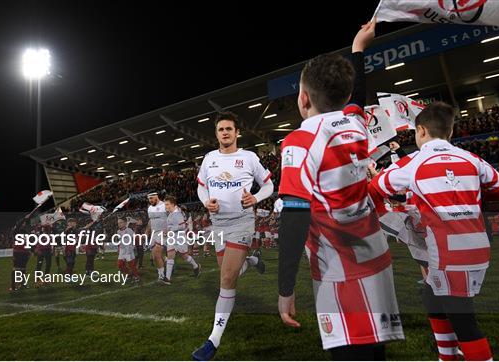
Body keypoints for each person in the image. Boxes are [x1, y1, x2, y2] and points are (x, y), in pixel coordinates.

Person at [277, 18, 404, 360]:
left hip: (339, 270)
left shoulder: (299, 141)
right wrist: (359, 48)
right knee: (374, 351)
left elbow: (294, 215)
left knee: (351, 353)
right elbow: (358, 97)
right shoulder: (357, 126)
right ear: (345, 96)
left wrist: (285, 289)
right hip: (376, 261)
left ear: (303, 98)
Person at [369, 101, 499, 361]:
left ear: (421, 131)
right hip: (478, 246)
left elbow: (374, 189)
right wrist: (476, 207)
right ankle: (447, 356)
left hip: (448, 253)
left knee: (463, 320)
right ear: (449, 133)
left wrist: (389, 219)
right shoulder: (472, 159)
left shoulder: (411, 162)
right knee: (431, 297)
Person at [192, 111, 273, 360]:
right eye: (220, 129)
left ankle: (212, 341)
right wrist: (207, 202)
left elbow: (269, 185)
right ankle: (252, 261)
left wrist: (256, 198)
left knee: (227, 279)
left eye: (229, 129)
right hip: (218, 223)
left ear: (237, 132)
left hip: (242, 221)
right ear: (216, 134)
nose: (225, 133)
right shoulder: (209, 158)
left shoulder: (248, 158)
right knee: (231, 271)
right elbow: (201, 187)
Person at [162, 195, 201, 282]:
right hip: (172, 238)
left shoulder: (177, 213)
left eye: (167, 204)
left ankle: (196, 266)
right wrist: (166, 231)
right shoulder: (171, 214)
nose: (166, 206)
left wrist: (171, 229)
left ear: (172, 204)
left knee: (185, 256)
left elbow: (182, 226)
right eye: (165, 204)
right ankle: (167, 278)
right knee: (170, 255)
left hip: (180, 238)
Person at [145, 192, 169, 284]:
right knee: (155, 256)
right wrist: (147, 231)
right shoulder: (150, 208)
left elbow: (171, 216)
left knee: (157, 253)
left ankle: (162, 275)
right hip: (154, 234)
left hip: (164, 233)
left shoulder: (164, 205)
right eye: (149, 199)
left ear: (156, 197)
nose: (150, 201)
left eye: (151, 198)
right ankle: (161, 274)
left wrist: (168, 229)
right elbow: (150, 220)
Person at [116, 217, 140, 283]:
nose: (119, 224)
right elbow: (120, 241)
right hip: (122, 250)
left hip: (129, 250)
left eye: (121, 222)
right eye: (118, 223)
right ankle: (129, 274)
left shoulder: (129, 230)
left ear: (125, 223)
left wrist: (134, 247)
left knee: (131, 265)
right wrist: (118, 248)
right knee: (120, 265)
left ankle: (136, 276)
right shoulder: (118, 231)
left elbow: (135, 238)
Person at [10, 218, 31, 291]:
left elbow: (27, 242)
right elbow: (18, 225)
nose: (24, 224)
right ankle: (13, 285)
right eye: (23, 223)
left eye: (25, 223)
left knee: (23, 269)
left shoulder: (25, 231)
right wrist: (24, 218)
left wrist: (29, 251)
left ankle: (22, 284)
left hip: (24, 252)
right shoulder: (15, 231)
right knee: (16, 269)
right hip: (17, 252)